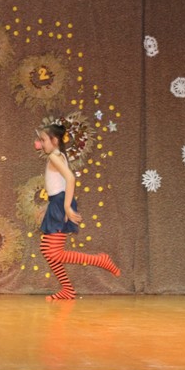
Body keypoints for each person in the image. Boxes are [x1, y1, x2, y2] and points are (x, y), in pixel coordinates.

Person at [36, 123, 120, 301]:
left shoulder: (54, 157)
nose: (40, 144)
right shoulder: (59, 155)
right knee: (46, 249)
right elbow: (58, 184)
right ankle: (67, 289)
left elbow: (70, 179)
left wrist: (66, 207)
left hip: (60, 203)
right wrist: (50, 207)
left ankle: (100, 260)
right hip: (56, 203)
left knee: (54, 253)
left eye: (43, 140)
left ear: (54, 140)